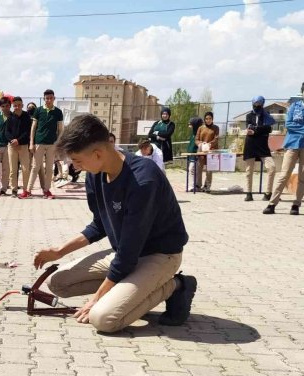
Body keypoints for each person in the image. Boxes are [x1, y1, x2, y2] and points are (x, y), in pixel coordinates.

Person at [34, 114, 194, 333]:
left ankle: (176, 286)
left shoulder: (143, 180)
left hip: (159, 255)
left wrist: (96, 300)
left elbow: (128, 253)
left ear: (98, 154)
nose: (75, 167)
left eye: (78, 161)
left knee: (103, 318)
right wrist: (59, 251)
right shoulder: (95, 174)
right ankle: (132, 292)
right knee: (58, 283)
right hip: (126, 253)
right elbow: (99, 225)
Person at [263, 94, 304, 216]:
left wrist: (299, 128)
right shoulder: (294, 107)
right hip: (292, 144)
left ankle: (296, 205)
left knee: (302, 177)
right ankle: (272, 204)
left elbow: (294, 126)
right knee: (284, 174)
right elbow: (289, 124)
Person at [29, 89, 64, 199]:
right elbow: (33, 128)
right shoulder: (38, 111)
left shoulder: (58, 112)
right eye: (46, 98)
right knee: (35, 167)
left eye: (50, 98)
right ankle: (28, 190)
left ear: (54, 98)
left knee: (49, 168)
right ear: (44, 99)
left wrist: (58, 143)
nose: (48, 100)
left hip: (52, 144)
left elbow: (60, 130)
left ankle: (47, 190)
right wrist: (31, 143)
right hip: (39, 142)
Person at [243, 96, 276, 201]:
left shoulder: (266, 116)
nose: (257, 106)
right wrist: (261, 130)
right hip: (250, 145)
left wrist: (256, 130)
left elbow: (269, 128)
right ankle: (249, 193)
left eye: (259, 104)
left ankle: (268, 193)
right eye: (255, 104)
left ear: (262, 105)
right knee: (249, 170)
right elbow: (249, 128)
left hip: (263, 146)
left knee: (272, 167)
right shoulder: (249, 116)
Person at [7, 96, 32, 198]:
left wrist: (19, 140)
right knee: (13, 169)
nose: (17, 107)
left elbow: (27, 131)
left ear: (22, 105)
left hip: (23, 146)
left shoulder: (26, 116)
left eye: (18, 105)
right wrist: (11, 140)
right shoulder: (10, 116)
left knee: (26, 169)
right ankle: (14, 189)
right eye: (15, 106)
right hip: (12, 146)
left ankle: (26, 190)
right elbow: (7, 131)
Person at [194, 112, 219, 192]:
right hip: (201, 151)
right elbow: (196, 139)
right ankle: (198, 185)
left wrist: (209, 144)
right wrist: (201, 144)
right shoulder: (200, 128)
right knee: (199, 168)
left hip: (211, 151)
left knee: (209, 169)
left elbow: (216, 138)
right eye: (206, 119)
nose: (208, 120)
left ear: (212, 119)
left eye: (210, 119)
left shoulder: (216, 128)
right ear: (204, 119)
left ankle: (207, 186)